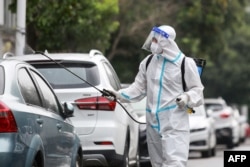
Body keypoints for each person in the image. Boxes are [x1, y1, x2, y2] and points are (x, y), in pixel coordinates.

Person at [105, 25, 204, 167]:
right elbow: (138, 88)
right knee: (156, 163)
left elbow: (197, 89)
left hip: (174, 122)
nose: (153, 43)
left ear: (166, 41)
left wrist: (187, 98)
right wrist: (118, 95)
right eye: (152, 40)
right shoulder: (148, 62)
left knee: (174, 162)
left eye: (156, 40)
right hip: (153, 122)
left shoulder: (185, 63)